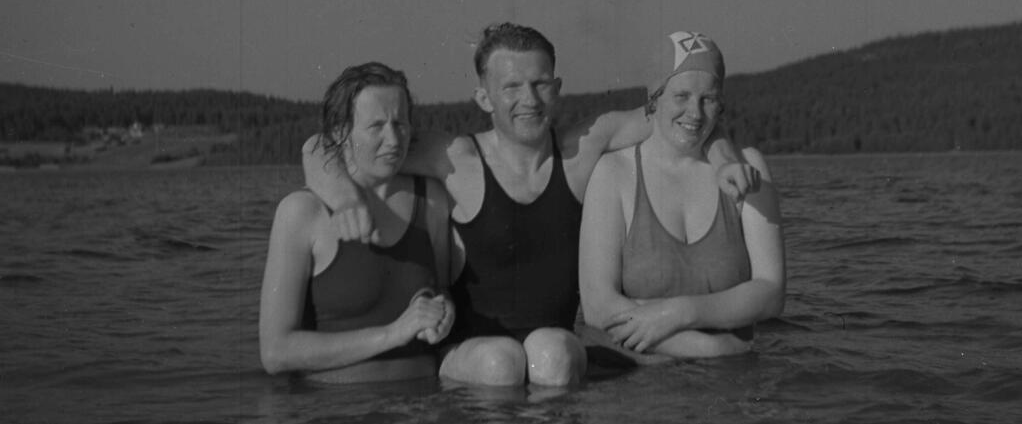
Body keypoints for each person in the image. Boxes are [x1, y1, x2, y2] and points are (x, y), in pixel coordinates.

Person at [301, 23, 758, 387]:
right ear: (484, 97)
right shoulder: (455, 158)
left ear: (557, 88)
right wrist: (344, 199)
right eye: (512, 87)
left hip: (556, 348)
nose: (529, 100)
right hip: (471, 354)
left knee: (551, 354)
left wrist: (723, 159)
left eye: (540, 84)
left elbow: (685, 116)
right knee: (501, 362)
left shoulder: (582, 149)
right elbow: (321, 146)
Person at [578, 32, 785, 361]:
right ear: (654, 99)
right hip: (655, 378)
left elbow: (771, 294)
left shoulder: (747, 167)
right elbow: (598, 307)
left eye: (708, 99)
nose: (695, 113)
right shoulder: (613, 172)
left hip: (728, 385)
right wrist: (709, 348)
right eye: (682, 96)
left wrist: (678, 313)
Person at [259, 62, 456, 383]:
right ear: (341, 133)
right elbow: (275, 353)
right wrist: (393, 333)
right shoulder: (301, 212)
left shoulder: (431, 199)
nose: (393, 139)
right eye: (376, 126)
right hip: (336, 404)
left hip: (427, 401)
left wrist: (444, 311)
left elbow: (443, 288)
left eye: (400, 123)